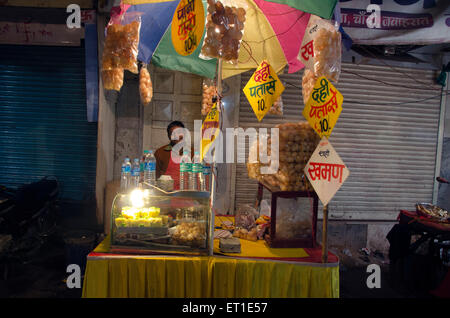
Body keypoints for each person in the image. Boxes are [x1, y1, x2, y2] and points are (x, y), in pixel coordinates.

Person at [155, 121, 189, 190]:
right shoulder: (160, 152)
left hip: (187, 194)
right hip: (166, 194)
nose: (177, 136)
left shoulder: (193, 152)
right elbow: (155, 177)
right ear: (169, 136)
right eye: (173, 133)